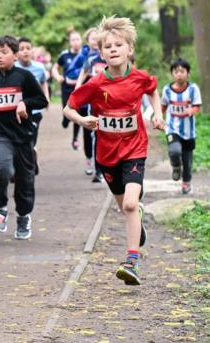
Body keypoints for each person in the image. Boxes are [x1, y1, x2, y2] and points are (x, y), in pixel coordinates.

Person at [63, 16, 166, 286]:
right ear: (101, 54)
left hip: (134, 149)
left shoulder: (139, 78)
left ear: (129, 49)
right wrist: (82, 120)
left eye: (118, 45)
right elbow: (68, 108)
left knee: (131, 203)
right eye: (107, 47)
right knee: (125, 208)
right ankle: (137, 220)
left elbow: (153, 90)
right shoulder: (97, 84)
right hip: (107, 155)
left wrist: (157, 114)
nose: (113, 50)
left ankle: (132, 262)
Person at [0, 35, 49, 240]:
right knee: (3, 169)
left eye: (4, 52)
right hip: (1, 134)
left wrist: (24, 104)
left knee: (24, 179)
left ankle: (23, 216)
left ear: (15, 55)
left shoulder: (24, 77)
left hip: (24, 135)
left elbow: (42, 100)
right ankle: (1, 208)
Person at [161, 58, 202, 195]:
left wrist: (191, 110)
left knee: (187, 160)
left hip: (189, 131)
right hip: (172, 128)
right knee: (174, 151)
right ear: (172, 73)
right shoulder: (167, 90)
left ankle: (186, 184)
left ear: (188, 73)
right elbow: (163, 106)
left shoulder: (193, 89)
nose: (179, 74)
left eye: (182, 71)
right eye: (176, 71)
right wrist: (158, 117)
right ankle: (176, 166)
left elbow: (197, 106)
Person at [74, 28, 106, 182]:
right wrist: (77, 90)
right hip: (95, 102)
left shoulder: (111, 57)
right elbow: (83, 74)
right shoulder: (91, 59)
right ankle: (98, 171)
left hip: (112, 101)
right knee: (96, 134)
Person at [16, 37, 50, 174]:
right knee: (17, 140)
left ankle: (31, 156)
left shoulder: (39, 67)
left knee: (30, 140)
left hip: (34, 111)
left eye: (28, 48)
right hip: (16, 111)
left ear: (32, 51)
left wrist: (46, 96)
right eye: (21, 49)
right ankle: (18, 168)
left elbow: (43, 82)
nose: (25, 51)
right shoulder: (13, 68)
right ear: (16, 52)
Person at [52, 28, 83, 150]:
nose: (75, 42)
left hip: (80, 89)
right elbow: (55, 68)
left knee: (77, 113)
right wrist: (58, 77)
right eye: (73, 40)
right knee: (66, 111)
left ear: (81, 41)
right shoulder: (64, 55)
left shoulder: (85, 55)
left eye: (77, 39)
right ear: (70, 42)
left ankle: (75, 139)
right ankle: (65, 119)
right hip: (66, 88)